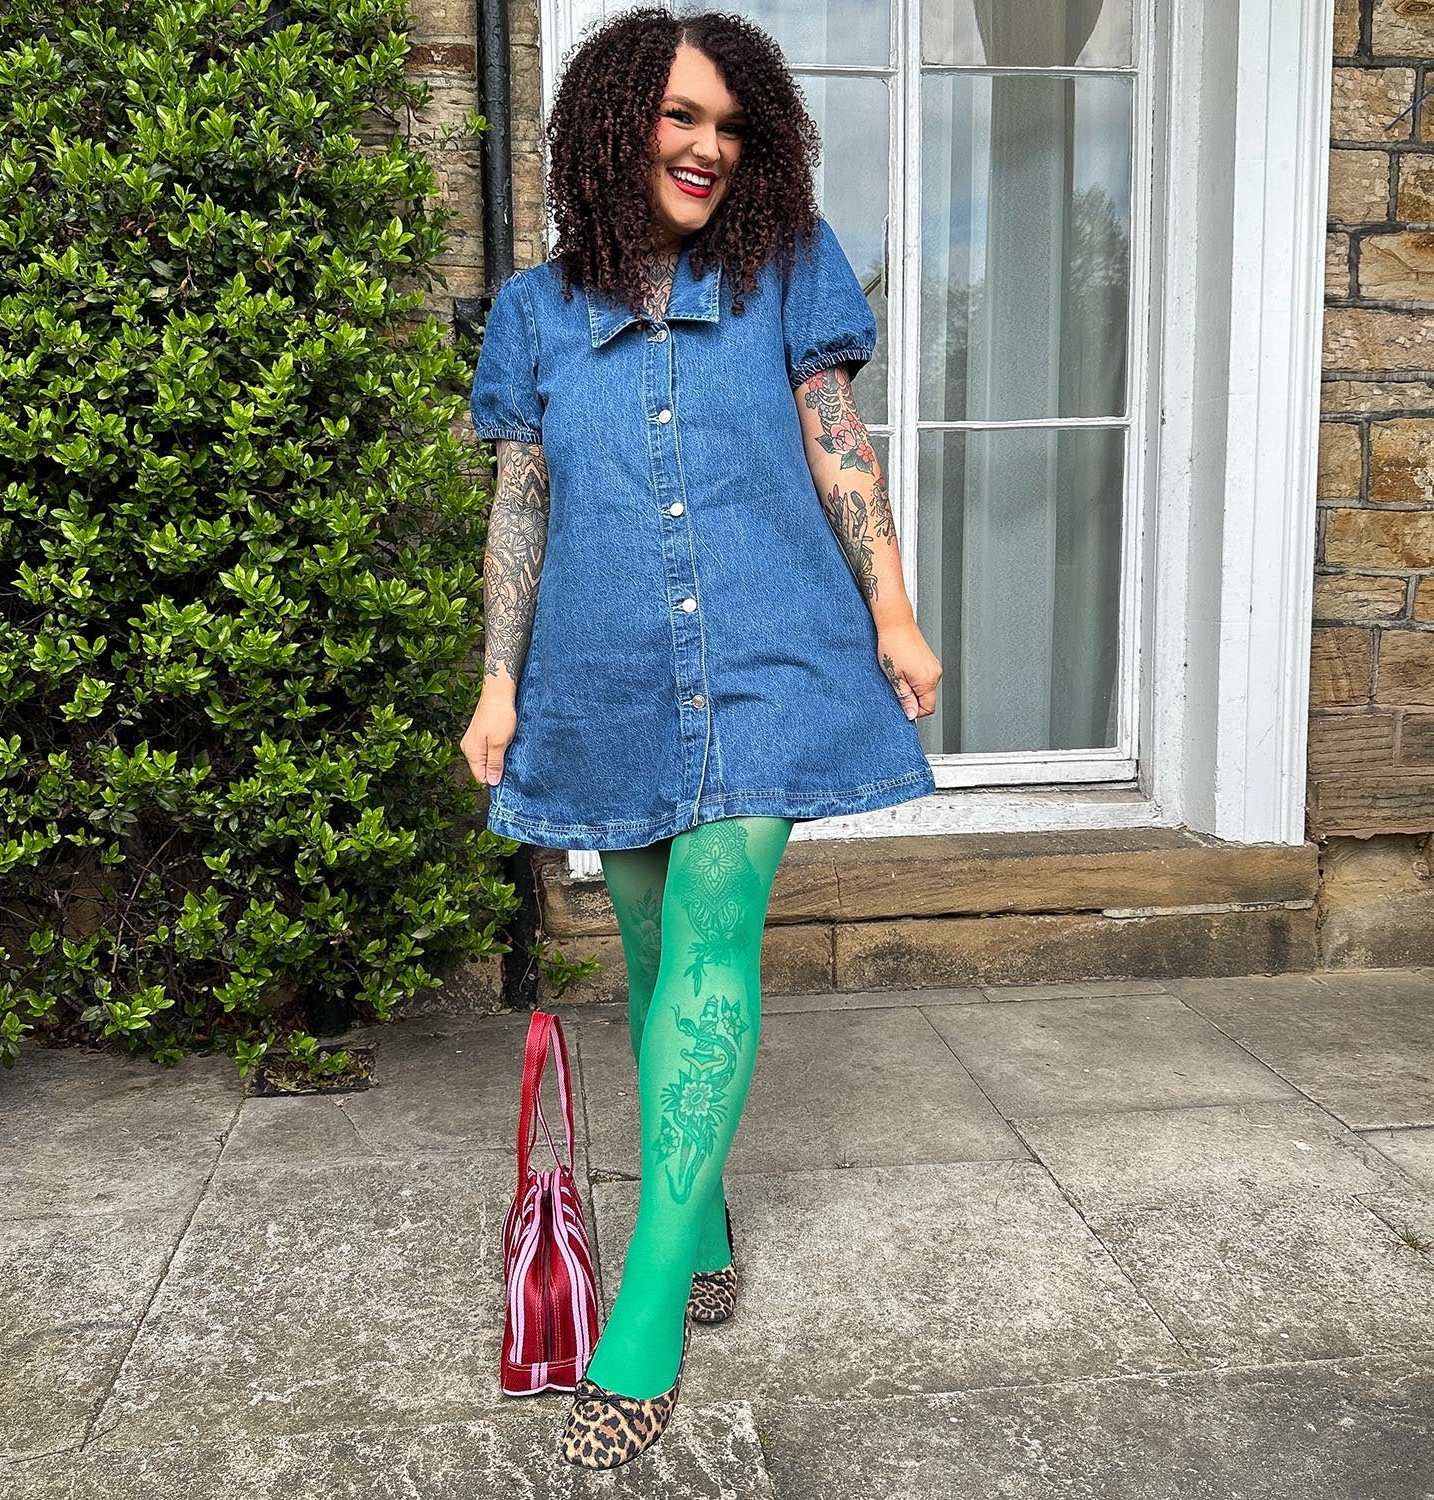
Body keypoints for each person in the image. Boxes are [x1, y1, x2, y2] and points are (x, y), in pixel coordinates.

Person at [460, 5, 942, 1470]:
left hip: (769, 652)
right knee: (655, 955)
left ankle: (646, 1319)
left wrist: (893, 609)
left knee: (715, 936)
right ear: (617, 127)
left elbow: (838, 445)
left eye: (731, 126)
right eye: (680, 117)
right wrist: (498, 684)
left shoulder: (787, 268)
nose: (707, 148)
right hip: (604, 670)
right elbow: (522, 506)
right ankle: (705, 1213)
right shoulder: (536, 313)